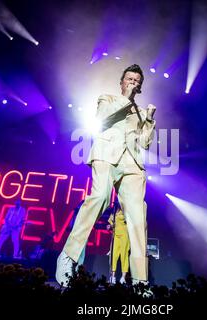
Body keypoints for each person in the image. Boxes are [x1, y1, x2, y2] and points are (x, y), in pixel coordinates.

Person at [56, 64, 156, 286]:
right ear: (121, 82)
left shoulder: (140, 113)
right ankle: (69, 256)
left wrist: (148, 120)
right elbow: (102, 118)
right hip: (106, 153)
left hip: (132, 162)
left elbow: (145, 143)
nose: (133, 83)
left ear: (140, 87)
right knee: (99, 197)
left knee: (138, 218)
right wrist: (126, 98)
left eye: (137, 81)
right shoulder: (108, 98)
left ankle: (140, 280)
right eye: (129, 79)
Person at [107, 200, 130, 284]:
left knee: (124, 255)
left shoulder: (126, 210)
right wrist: (110, 226)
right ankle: (113, 276)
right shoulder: (114, 211)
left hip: (124, 235)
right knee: (114, 255)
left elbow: (130, 221)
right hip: (116, 235)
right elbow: (112, 222)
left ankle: (123, 277)